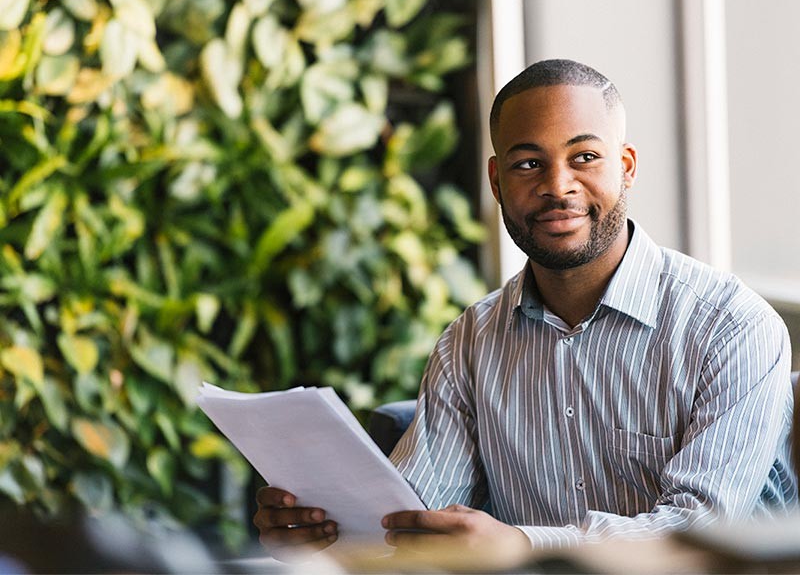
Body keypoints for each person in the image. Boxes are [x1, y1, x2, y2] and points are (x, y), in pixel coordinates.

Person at [253, 59, 797, 558]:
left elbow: (700, 534)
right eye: (528, 163)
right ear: (496, 182)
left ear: (626, 167)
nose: (557, 186)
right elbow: (412, 518)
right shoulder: (469, 342)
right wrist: (322, 530)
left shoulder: (733, 328)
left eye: (584, 157)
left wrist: (523, 545)